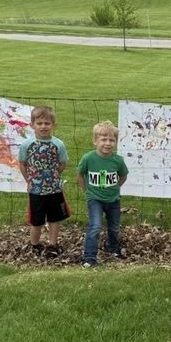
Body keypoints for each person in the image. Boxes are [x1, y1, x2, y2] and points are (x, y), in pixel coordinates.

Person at [17, 105, 69, 258]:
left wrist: (52, 176)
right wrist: (30, 179)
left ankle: (52, 245)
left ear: (54, 125)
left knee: (54, 219)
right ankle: (34, 245)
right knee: (36, 221)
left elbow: (62, 163)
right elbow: (22, 163)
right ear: (32, 125)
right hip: (35, 191)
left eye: (47, 123)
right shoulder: (27, 145)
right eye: (39, 123)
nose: (43, 126)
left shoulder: (58, 145)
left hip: (54, 190)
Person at [76, 120, 128, 268]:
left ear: (116, 142)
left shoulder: (118, 160)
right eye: (103, 139)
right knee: (95, 226)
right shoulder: (88, 158)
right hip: (94, 199)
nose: (107, 143)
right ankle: (89, 257)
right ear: (95, 141)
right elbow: (80, 175)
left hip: (113, 200)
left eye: (111, 140)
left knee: (114, 226)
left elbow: (123, 176)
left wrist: (116, 187)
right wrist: (86, 191)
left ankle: (113, 249)